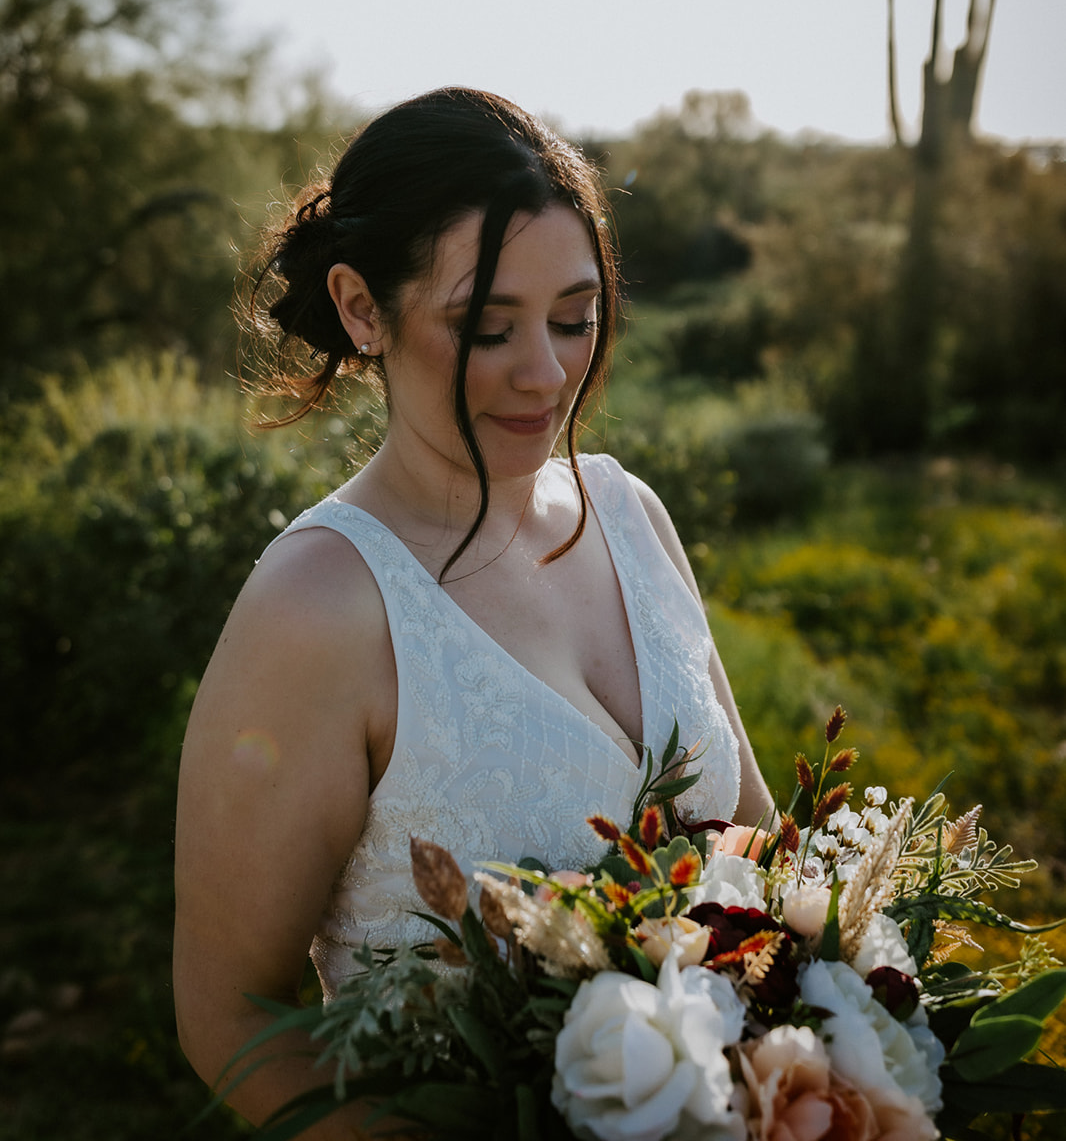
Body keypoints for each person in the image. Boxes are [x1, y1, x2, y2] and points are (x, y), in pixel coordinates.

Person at [173, 87, 772, 1136]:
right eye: (486, 325)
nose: (544, 374)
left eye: (574, 317)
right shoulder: (318, 606)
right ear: (363, 308)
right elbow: (231, 1013)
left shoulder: (630, 514)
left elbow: (759, 843)